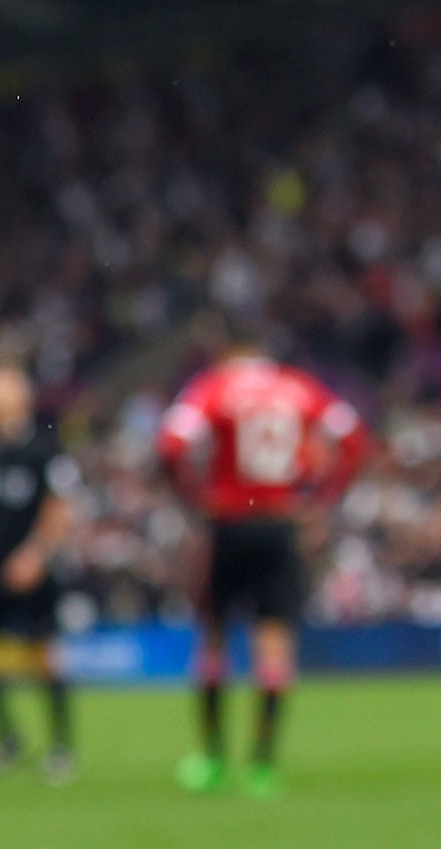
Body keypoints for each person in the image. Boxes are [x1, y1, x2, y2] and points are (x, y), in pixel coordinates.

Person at [156, 340, 368, 796]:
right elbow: (352, 437)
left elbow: (171, 443)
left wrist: (193, 496)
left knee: (213, 639)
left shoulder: (214, 386)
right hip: (281, 522)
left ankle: (212, 758)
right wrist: (323, 498)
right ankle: (263, 764)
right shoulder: (300, 388)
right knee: (274, 646)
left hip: (229, 523)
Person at [0, 362, 79, 782]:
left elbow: (60, 508)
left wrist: (35, 554)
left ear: (20, 400)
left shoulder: (45, 448)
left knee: (46, 659)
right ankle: (9, 739)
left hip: (35, 570)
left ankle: (62, 748)